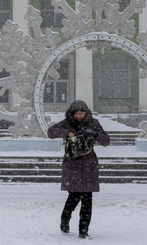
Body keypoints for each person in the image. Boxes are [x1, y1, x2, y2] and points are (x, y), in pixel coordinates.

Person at [47, 100, 110, 239]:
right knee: (73, 197)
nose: (79, 116)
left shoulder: (93, 123)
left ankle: (83, 230)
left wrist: (94, 134)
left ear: (86, 112)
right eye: (76, 113)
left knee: (87, 199)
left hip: (89, 166)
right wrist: (67, 132)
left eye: (81, 113)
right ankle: (65, 218)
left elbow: (106, 140)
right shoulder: (67, 123)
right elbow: (51, 132)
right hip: (72, 165)